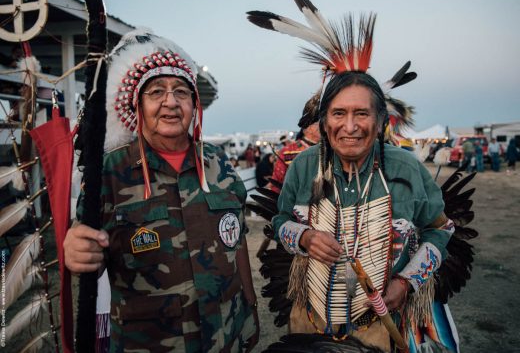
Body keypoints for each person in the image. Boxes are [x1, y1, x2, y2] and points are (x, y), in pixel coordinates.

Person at [63, 30, 258, 352]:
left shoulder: (218, 164)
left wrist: (249, 303)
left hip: (227, 335)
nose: (170, 101)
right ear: (137, 105)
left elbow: (234, 241)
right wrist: (76, 251)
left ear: (195, 106)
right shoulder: (109, 172)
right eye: (156, 92)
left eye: (181, 92)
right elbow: (88, 250)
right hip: (150, 344)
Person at [273, 71, 458, 353]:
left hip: (382, 324)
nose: (350, 126)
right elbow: (281, 221)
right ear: (323, 122)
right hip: (310, 320)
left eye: (361, 113)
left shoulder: (405, 169)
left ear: (381, 120)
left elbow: (441, 230)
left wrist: (406, 282)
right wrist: (304, 237)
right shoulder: (303, 166)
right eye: (338, 114)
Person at [271, 92, 321, 193]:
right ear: (309, 126)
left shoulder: (332, 149)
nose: (325, 127)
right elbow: (276, 186)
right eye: (320, 123)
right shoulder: (286, 152)